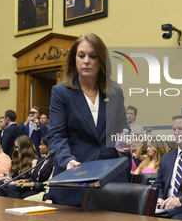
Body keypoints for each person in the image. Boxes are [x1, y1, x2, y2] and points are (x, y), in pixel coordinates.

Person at [46, 33, 129, 207]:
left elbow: (122, 127)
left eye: (93, 56)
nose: (86, 61)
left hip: (110, 175)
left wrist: (123, 140)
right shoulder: (61, 92)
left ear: (102, 61)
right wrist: (67, 160)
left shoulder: (115, 91)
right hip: (75, 172)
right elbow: (56, 135)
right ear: (74, 60)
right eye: (81, 55)